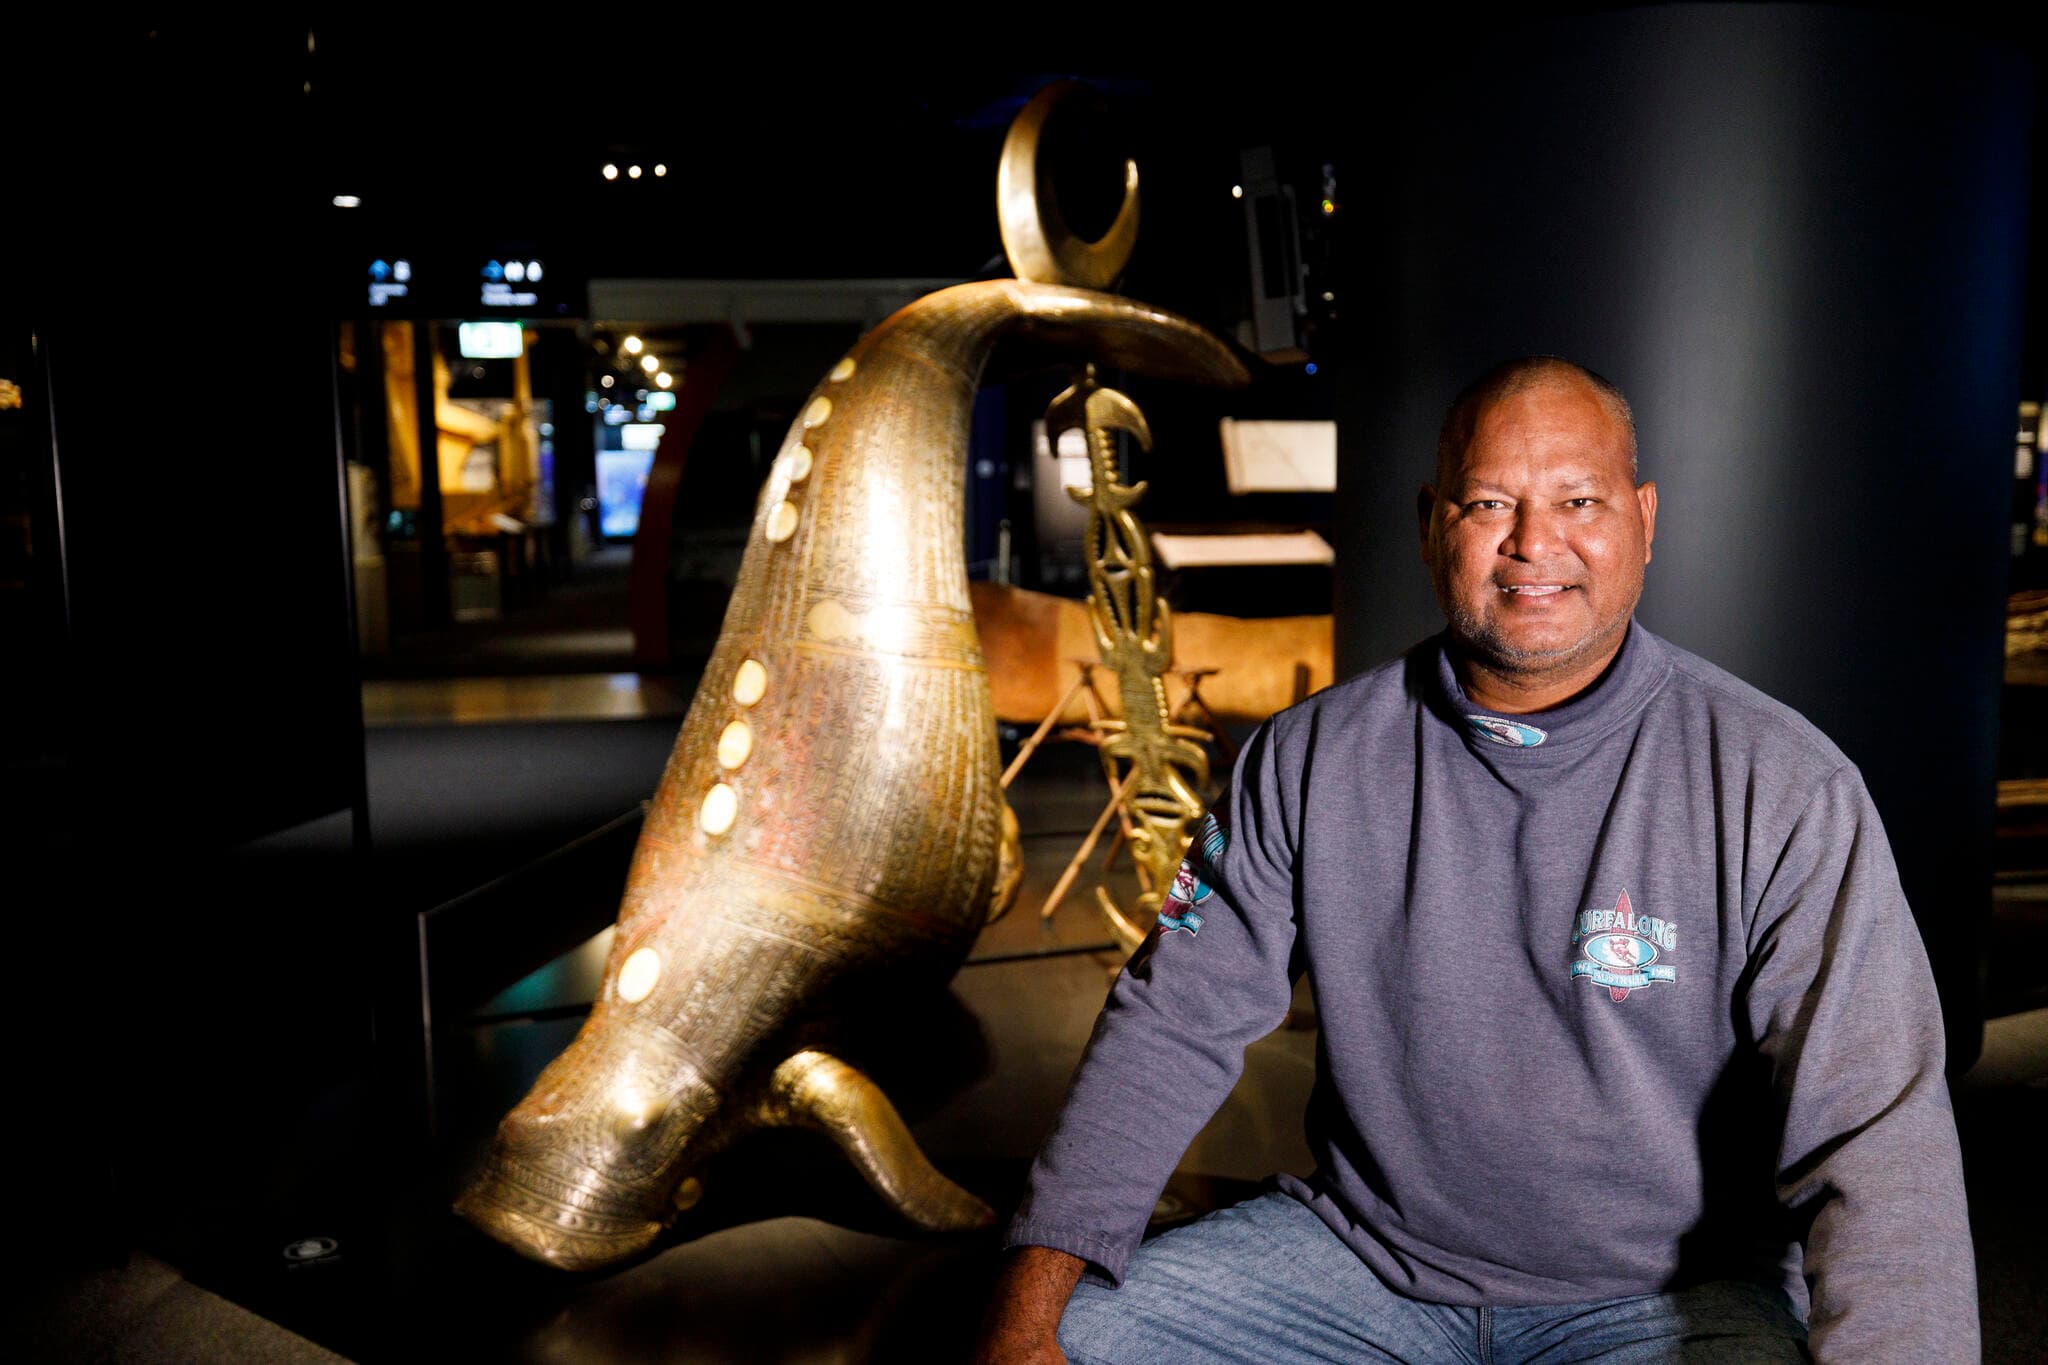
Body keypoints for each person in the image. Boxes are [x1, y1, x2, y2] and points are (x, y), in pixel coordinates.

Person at [974, 358, 1977, 1363]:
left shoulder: (1781, 784)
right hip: (1357, 1270)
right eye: (1489, 502)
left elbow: (1878, 1132)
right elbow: (1168, 1023)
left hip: (1666, 1296)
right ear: (1428, 523)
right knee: (1074, 1340)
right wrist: (1028, 1312)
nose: (1532, 544)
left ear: (1642, 519)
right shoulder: (1307, 758)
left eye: (1577, 500)